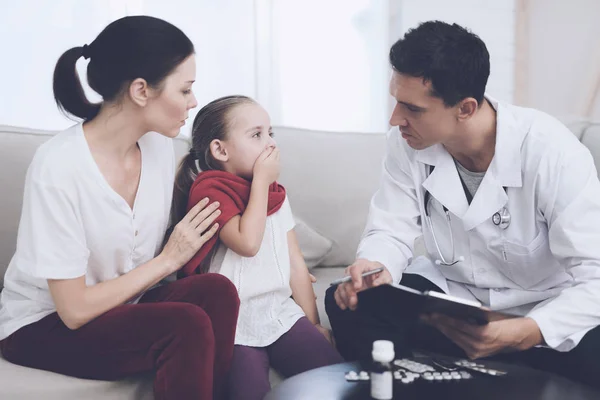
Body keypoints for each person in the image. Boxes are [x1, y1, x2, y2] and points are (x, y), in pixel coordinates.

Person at [325, 20, 600, 388]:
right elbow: (390, 230)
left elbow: (595, 276)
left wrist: (526, 331)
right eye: (396, 102)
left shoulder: (554, 154)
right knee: (348, 302)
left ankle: (495, 367)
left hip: (541, 312)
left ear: (466, 108)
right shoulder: (405, 144)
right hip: (455, 307)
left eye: (412, 108)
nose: (395, 120)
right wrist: (374, 268)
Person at [0, 16, 239, 400]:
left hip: (122, 307)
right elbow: (74, 310)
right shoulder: (58, 167)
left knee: (217, 292)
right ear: (141, 91)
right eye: (185, 89)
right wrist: (167, 260)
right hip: (45, 325)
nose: (194, 102)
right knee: (185, 323)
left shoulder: (160, 147)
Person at [171, 95, 343, 400]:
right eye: (256, 135)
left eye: (270, 133)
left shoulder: (275, 194)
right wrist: (262, 183)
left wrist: (313, 322)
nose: (270, 144)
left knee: (336, 378)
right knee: (247, 391)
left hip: (279, 312)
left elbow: (295, 261)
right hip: (233, 322)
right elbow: (247, 243)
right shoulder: (211, 190)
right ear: (220, 149)